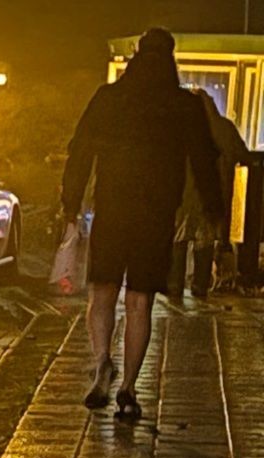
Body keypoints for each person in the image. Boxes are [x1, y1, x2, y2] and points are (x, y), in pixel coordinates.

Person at [61, 27, 223, 421]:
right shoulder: (183, 106)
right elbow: (204, 160)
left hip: (113, 208)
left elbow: (80, 149)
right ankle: (129, 389)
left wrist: (70, 203)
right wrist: (214, 212)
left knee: (102, 293)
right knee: (139, 302)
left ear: (135, 55)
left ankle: (102, 359)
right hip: (156, 215)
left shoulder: (109, 99)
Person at [168, 87, 248, 300]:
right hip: (212, 192)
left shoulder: (179, 129)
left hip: (183, 194)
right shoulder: (223, 127)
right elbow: (242, 153)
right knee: (205, 239)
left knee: (179, 238)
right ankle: (199, 285)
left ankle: (174, 284)